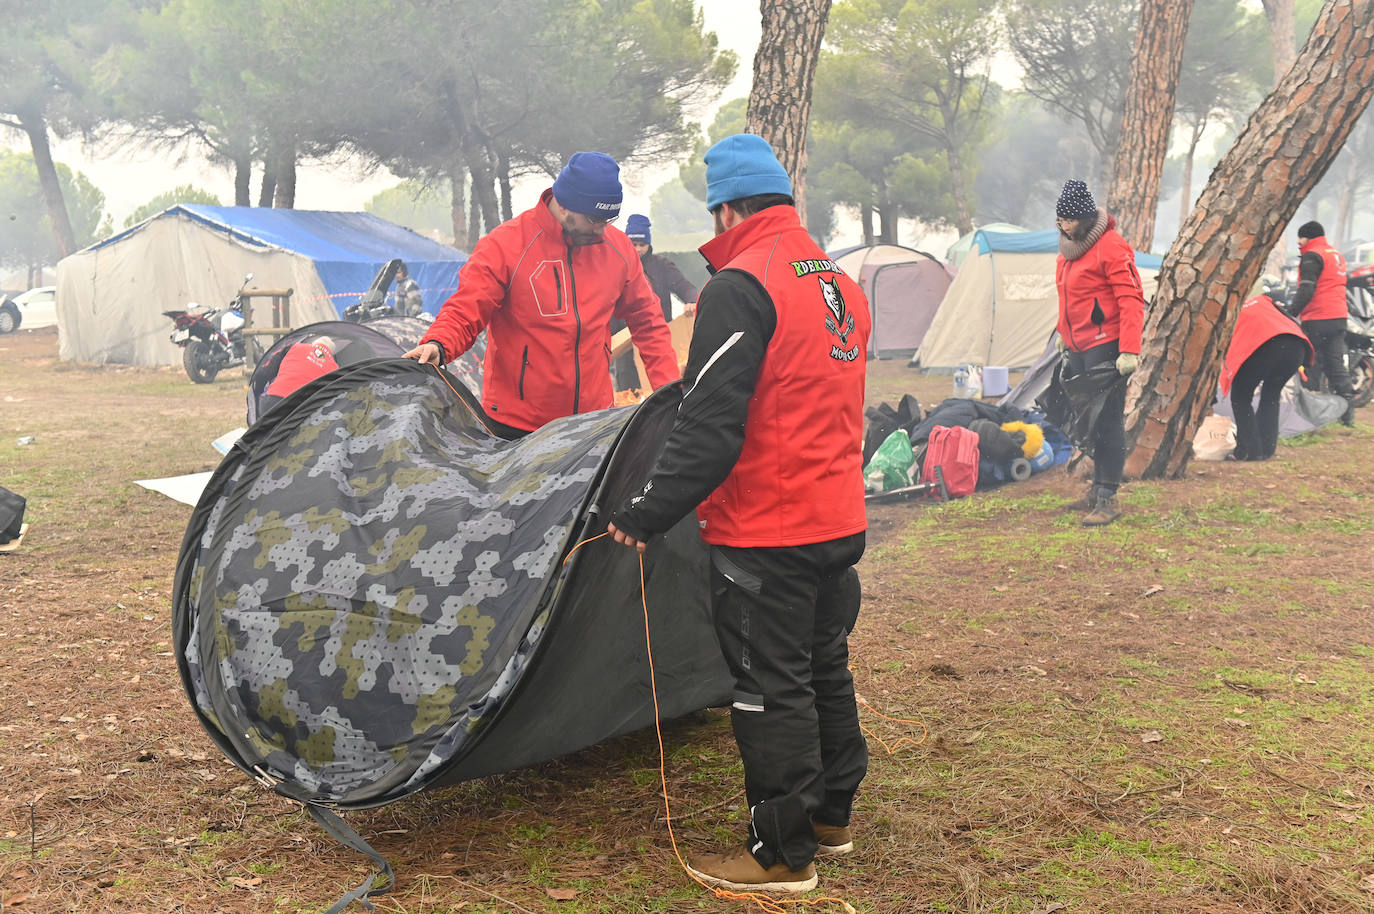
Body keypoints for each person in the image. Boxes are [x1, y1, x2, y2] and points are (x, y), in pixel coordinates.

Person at [606, 134, 871, 894]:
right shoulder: (836, 282)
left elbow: (708, 424)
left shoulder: (741, 286)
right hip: (835, 516)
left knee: (767, 685)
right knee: (823, 665)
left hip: (769, 526)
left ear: (725, 206)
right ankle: (831, 814)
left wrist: (647, 511)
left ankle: (782, 854)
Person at [404, 152, 680, 437]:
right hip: (516, 425)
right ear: (563, 206)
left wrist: (670, 393)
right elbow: (467, 308)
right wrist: (438, 343)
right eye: (595, 218)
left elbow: (649, 322)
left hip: (593, 421)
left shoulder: (618, 249)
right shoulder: (505, 245)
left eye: (610, 218)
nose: (602, 228)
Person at [1053, 179, 1146, 527]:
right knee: (1086, 420)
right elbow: (1067, 297)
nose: (1064, 226)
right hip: (1078, 346)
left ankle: (1109, 497)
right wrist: (1063, 333)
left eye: (1070, 220)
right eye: (1060, 220)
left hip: (1106, 346)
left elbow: (1131, 299)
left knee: (1107, 420)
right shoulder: (1068, 250)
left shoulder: (1112, 248)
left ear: (1086, 218)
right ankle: (1096, 489)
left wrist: (1129, 350)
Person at [610, 214, 701, 391]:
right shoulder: (615, 266)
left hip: (657, 340)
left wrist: (692, 301)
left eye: (641, 245)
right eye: (633, 244)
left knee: (661, 389)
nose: (637, 249)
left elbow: (684, 286)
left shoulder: (663, 265)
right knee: (628, 394)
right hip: (624, 346)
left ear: (649, 244)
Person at [1221, 291, 1312, 461]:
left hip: (1265, 345)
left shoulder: (1227, 314)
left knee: (1241, 398)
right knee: (1271, 395)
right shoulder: (1262, 301)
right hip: (1295, 346)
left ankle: (1248, 451)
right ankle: (1267, 448)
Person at [1285, 221, 1355, 426]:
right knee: (1336, 365)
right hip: (1339, 317)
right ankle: (1347, 413)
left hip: (1317, 318)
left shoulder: (1312, 256)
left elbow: (1307, 289)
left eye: (1301, 237)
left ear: (1309, 237)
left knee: (1309, 363)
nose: (1298, 242)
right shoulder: (1335, 255)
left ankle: (1307, 414)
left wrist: (1291, 313)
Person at [260, 335, 339, 415]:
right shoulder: (335, 368)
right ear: (331, 353)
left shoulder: (294, 347)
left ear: (314, 344)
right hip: (302, 410)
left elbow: (267, 370)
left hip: (274, 401)